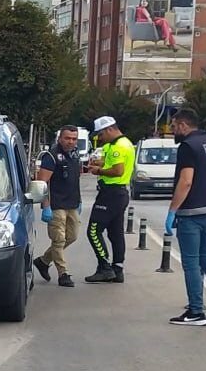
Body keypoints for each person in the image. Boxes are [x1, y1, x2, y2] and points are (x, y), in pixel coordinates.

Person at [165, 108, 206, 325]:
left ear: (184, 125)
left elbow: (186, 181)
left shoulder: (188, 147)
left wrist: (172, 211)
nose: (173, 130)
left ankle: (195, 311)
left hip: (192, 212)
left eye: (174, 126)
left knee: (191, 262)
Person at [84, 116, 135, 284]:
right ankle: (117, 268)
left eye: (100, 134)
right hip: (119, 194)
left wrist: (99, 171)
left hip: (111, 194)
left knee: (93, 231)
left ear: (109, 129)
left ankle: (104, 267)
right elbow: (112, 163)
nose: (99, 137)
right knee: (115, 233)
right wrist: (100, 163)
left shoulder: (118, 147)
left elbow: (118, 170)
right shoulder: (124, 143)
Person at [33, 125, 84, 288]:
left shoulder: (75, 154)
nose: (71, 142)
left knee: (72, 236)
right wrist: (45, 205)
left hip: (72, 203)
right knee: (59, 239)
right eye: (67, 138)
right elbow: (42, 183)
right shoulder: (52, 156)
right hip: (56, 205)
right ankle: (63, 273)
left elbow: (75, 180)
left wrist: (79, 200)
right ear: (60, 138)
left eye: (74, 139)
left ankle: (43, 261)